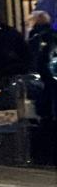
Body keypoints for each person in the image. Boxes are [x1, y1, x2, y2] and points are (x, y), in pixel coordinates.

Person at [26, 11, 55, 165]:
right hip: (52, 82)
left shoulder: (35, 37)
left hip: (41, 82)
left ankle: (43, 154)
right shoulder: (53, 35)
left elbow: (31, 60)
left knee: (43, 116)